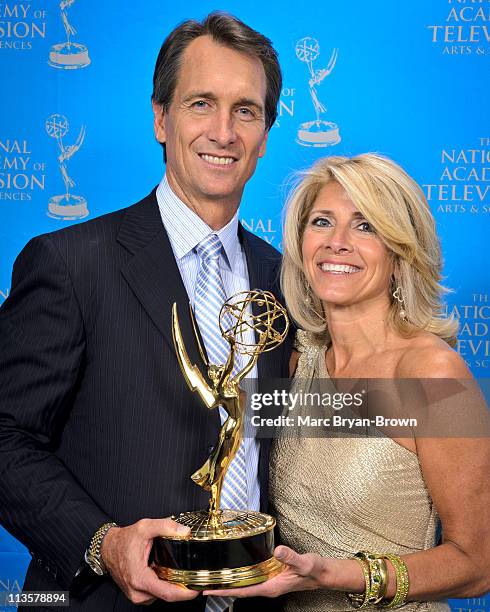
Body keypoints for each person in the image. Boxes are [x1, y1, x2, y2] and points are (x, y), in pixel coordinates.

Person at [0, 12, 291, 611]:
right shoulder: (70, 263)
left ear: (265, 134)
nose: (224, 131)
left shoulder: (287, 283)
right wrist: (103, 545)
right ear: (161, 117)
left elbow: (311, 431)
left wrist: (438, 406)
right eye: (201, 103)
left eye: (246, 110)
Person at [204, 154, 490, 610]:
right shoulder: (294, 364)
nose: (337, 243)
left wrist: (340, 573)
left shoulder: (431, 372)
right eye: (322, 221)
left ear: (400, 253)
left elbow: (477, 564)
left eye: (365, 227)